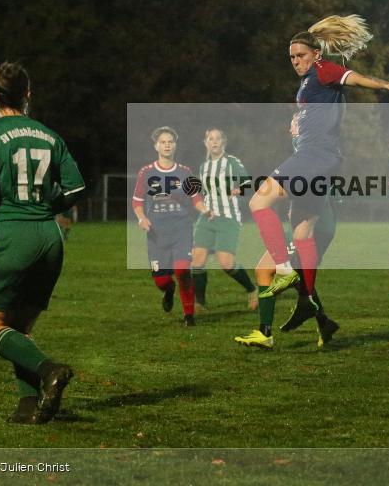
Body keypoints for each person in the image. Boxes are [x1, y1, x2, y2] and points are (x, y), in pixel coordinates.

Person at [240, 15, 389, 346]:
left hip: (314, 158)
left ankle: (285, 272)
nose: (295, 61)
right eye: (291, 57)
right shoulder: (309, 84)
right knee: (301, 229)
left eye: (300, 55)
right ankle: (311, 309)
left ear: (316, 54)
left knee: (259, 201)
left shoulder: (323, 70)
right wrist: (298, 122)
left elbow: (353, 78)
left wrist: (386, 86)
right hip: (321, 161)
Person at [0, 61, 86, 424]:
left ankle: (49, 370)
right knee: (19, 328)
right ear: (27, 94)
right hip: (51, 238)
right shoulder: (50, 135)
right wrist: (47, 208)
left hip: (12, 235)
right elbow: (76, 188)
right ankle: (28, 405)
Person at [235, 195, 340, 349]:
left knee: (287, 273)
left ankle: (265, 333)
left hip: (311, 223)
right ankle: (323, 322)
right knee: (267, 271)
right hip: (305, 220)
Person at [132, 126, 212, 327]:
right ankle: (169, 290)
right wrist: (142, 218)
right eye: (163, 142)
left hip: (181, 229)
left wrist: (204, 209)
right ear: (156, 146)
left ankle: (189, 316)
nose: (167, 145)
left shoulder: (184, 172)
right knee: (161, 281)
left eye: (170, 142)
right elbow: (137, 201)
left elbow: (196, 198)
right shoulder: (147, 172)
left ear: (175, 145)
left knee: (182, 270)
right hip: (156, 233)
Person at [191, 128, 257, 311]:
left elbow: (247, 183)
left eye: (218, 138)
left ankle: (252, 290)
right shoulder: (203, 167)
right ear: (206, 143)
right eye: (210, 139)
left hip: (228, 218)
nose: (214, 142)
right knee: (197, 261)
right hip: (206, 219)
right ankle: (199, 303)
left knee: (226, 263)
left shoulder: (231, 161)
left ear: (223, 142)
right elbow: (202, 193)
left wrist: (238, 190)